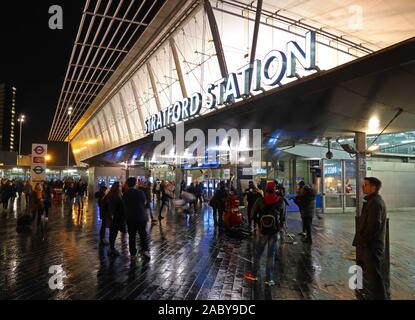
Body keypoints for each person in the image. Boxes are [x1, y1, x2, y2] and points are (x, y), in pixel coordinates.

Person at [353, 177, 388, 300]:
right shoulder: (371, 201)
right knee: (372, 275)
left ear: (374, 188)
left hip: (372, 246)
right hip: (370, 245)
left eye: (366, 185)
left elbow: (373, 226)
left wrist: (364, 241)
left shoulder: (375, 203)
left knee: (375, 277)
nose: (363, 187)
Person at [245, 181, 281, 286]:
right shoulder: (280, 201)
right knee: (271, 255)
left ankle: (254, 274)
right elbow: (283, 217)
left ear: (266, 190)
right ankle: (269, 279)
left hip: (263, 231)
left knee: (258, 253)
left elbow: (252, 215)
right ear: (275, 190)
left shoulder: (260, 200)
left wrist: (259, 222)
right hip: (274, 231)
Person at [122, 177, 149, 260]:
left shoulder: (125, 193)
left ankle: (133, 254)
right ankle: (144, 250)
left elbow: (124, 204)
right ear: (135, 184)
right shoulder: (140, 192)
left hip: (130, 217)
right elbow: (144, 202)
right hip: (141, 217)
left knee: (132, 236)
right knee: (143, 234)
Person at [102, 182, 125, 256]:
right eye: (120, 186)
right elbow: (112, 208)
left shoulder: (110, 195)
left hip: (114, 218)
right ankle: (112, 248)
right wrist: (111, 216)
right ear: (117, 187)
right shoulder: (115, 196)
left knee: (113, 233)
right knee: (113, 233)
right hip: (115, 218)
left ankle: (111, 248)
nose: (121, 188)